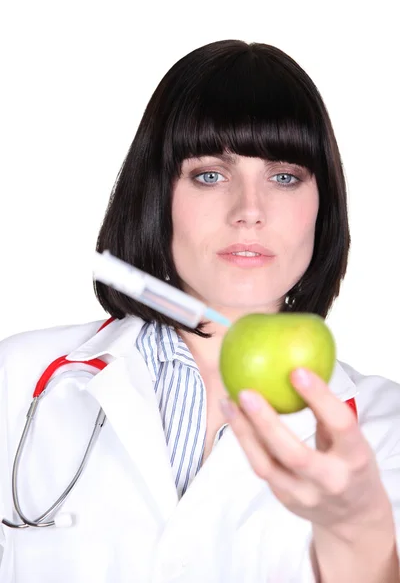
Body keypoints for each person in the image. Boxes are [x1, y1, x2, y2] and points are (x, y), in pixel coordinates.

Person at [0, 39, 399, 583]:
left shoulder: (387, 427)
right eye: (210, 174)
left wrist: (360, 534)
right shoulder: (18, 380)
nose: (249, 212)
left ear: (322, 205)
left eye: (284, 176)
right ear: (156, 194)